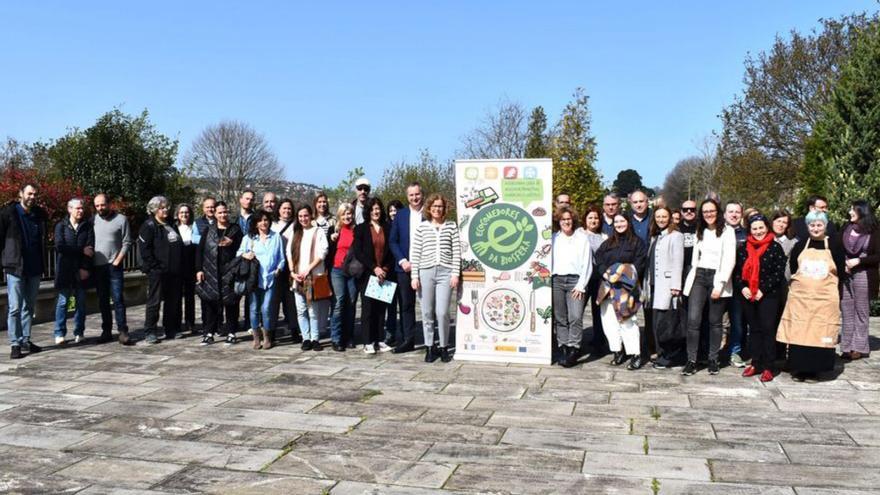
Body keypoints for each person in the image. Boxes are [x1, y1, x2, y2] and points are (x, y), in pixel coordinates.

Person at [778, 211, 845, 382]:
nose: (816, 228)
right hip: (802, 300)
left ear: (825, 226)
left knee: (820, 331)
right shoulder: (800, 246)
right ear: (807, 227)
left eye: (819, 225)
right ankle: (799, 368)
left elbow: (840, 272)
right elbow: (794, 268)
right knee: (800, 332)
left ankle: (816, 370)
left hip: (825, 300)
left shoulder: (835, 245)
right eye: (812, 225)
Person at [681, 199, 736, 376]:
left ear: (717, 212)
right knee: (693, 320)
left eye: (711, 211)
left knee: (715, 321)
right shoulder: (700, 230)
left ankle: (713, 359)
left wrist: (720, 284)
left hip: (717, 276)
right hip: (699, 276)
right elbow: (695, 258)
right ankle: (692, 360)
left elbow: (729, 259)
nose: (708, 215)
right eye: (705, 212)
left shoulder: (727, 231)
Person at [733, 215, 788, 382]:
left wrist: (762, 289)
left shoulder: (775, 247)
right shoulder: (743, 248)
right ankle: (756, 363)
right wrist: (743, 287)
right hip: (748, 295)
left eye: (761, 228)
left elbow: (778, 273)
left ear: (767, 228)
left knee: (767, 329)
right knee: (754, 330)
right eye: (754, 228)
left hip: (768, 295)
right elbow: (736, 273)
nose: (758, 232)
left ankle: (769, 366)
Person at [411, 194, 462, 363]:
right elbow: (415, 253)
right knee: (426, 312)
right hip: (425, 272)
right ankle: (429, 346)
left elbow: (456, 252)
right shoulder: (422, 228)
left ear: (444, 208)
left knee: (442, 312)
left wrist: (455, 273)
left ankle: (444, 346)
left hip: (445, 273)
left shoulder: (451, 226)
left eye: (440, 206)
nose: (437, 209)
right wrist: (414, 276)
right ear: (429, 208)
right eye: (434, 206)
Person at [595, 214, 647, 369]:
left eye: (622, 221)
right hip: (607, 287)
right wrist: (604, 272)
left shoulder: (637, 242)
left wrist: (620, 274)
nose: (619, 224)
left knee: (627, 322)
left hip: (626, 288)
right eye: (616, 222)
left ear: (628, 222)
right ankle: (617, 351)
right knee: (609, 321)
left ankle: (635, 354)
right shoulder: (608, 242)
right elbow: (599, 258)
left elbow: (639, 264)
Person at [1, 183, 46, 359]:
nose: (32, 197)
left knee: (29, 306)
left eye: (35, 194)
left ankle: (25, 339)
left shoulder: (39, 216)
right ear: (21, 194)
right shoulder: (8, 214)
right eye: (29, 194)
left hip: (34, 267)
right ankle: (15, 343)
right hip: (15, 266)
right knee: (15, 307)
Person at [195, 201, 243, 345]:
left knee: (231, 302)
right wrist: (199, 269)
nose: (223, 215)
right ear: (215, 214)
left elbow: (243, 248)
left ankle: (231, 332)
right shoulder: (208, 230)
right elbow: (200, 251)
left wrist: (232, 243)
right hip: (210, 271)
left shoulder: (235, 229)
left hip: (230, 271)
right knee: (210, 303)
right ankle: (209, 332)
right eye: (220, 212)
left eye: (225, 212)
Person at [237, 209, 286, 349]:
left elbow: (281, 258)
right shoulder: (249, 238)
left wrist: (279, 269)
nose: (263, 223)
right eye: (260, 220)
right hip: (254, 279)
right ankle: (256, 336)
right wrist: (245, 255)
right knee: (254, 309)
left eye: (266, 220)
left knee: (266, 309)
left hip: (270, 278)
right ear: (256, 223)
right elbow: (239, 253)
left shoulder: (276, 237)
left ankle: (267, 337)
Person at [550, 206, 592, 367]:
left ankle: (574, 348)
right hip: (557, 281)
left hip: (575, 281)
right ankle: (563, 347)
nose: (566, 222)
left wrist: (581, 285)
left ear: (573, 220)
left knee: (575, 316)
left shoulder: (581, 238)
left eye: (568, 219)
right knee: (560, 318)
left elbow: (587, 263)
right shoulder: (554, 238)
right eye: (563, 219)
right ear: (558, 222)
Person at [138, 196, 183, 344]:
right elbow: (145, 251)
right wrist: (155, 267)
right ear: (154, 210)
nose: (165, 210)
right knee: (154, 301)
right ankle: (150, 331)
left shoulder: (171, 224)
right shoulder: (149, 226)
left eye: (166, 207)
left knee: (173, 301)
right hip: (157, 271)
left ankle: (171, 329)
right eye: (162, 208)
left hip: (174, 271)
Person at [352, 197, 395, 354]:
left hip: (384, 273)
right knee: (368, 309)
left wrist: (384, 268)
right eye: (372, 209)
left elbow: (392, 251)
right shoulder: (361, 228)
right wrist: (374, 268)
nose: (375, 212)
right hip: (368, 273)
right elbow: (359, 252)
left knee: (380, 308)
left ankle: (379, 339)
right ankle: (367, 341)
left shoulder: (388, 227)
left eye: (377, 209)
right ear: (368, 212)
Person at [645, 206, 684, 369]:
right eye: (658, 216)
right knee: (656, 322)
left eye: (664, 216)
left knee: (667, 323)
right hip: (654, 285)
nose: (661, 219)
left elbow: (678, 261)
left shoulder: (676, 236)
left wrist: (676, 285)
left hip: (668, 286)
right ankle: (661, 354)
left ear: (670, 218)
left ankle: (670, 356)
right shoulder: (656, 236)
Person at [840, 200, 879, 360]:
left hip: (864, 272)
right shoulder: (846, 228)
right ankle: (846, 346)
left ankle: (859, 347)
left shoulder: (875, 231)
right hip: (846, 273)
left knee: (861, 310)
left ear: (862, 211)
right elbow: (837, 247)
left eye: (852, 209)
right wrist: (842, 262)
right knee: (846, 309)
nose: (849, 212)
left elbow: (877, 255)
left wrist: (859, 261)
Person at [288, 204, 330, 351]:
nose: (303, 219)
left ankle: (315, 338)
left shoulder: (317, 231)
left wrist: (308, 269)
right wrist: (292, 271)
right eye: (300, 216)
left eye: (305, 215)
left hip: (313, 276)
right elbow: (289, 253)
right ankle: (305, 338)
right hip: (298, 278)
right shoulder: (296, 233)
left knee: (313, 310)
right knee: (301, 310)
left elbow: (322, 252)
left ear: (310, 215)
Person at [389, 182, 425, 353]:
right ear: (407, 197)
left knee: (429, 305)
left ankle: (433, 341)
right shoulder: (400, 215)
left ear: (422, 194)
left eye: (417, 194)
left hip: (427, 266)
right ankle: (408, 340)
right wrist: (402, 260)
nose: (414, 198)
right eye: (411, 195)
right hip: (405, 268)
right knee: (406, 305)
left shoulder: (430, 213)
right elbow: (393, 240)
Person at [53, 198, 94, 345]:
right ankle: (59, 333)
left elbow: (90, 249)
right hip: (65, 269)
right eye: (77, 208)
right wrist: (81, 250)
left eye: (82, 208)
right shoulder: (61, 226)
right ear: (69, 209)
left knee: (81, 302)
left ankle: (79, 332)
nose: (80, 211)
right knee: (63, 302)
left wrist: (85, 268)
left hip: (81, 269)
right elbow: (60, 247)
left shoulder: (87, 227)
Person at [92, 193, 132, 345]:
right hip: (98, 266)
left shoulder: (121, 219)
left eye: (102, 205)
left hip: (114, 265)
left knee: (118, 299)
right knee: (102, 300)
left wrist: (118, 260)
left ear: (109, 204)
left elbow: (127, 241)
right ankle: (106, 331)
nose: (100, 208)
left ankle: (123, 331)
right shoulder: (93, 220)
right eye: (97, 206)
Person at [271, 198, 300, 343]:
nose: (287, 211)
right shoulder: (272, 225)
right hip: (276, 267)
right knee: (274, 300)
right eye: (284, 208)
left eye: (289, 208)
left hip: (292, 266)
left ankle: (295, 330)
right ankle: (272, 331)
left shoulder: (296, 225)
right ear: (278, 210)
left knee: (291, 301)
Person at [329, 203, 357, 351]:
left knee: (351, 302)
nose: (347, 217)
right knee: (339, 302)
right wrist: (331, 238)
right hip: (337, 270)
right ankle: (336, 337)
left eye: (349, 214)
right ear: (339, 216)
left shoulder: (357, 231)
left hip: (352, 271)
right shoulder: (335, 231)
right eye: (344, 214)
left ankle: (349, 336)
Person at [581, 205, 608, 357]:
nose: (593, 220)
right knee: (578, 310)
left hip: (598, 279)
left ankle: (599, 342)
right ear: (585, 219)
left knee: (598, 311)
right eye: (590, 217)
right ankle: (576, 342)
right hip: (583, 278)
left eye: (596, 218)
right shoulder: (579, 234)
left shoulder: (604, 237)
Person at [724, 201, 748, 368]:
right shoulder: (717, 232)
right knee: (714, 320)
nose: (733, 215)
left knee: (738, 321)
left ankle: (735, 351)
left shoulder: (746, 235)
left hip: (739, 284)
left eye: (737, 212)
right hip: (719, 283)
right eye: (730, 211)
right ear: (724, 214)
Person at [383, 199, 404, 347]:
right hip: (389, 271)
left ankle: (404, 333)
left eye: (396, 210)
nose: (393, 213)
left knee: (404, 304)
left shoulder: (404, 226)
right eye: (390, 210)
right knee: (390, 305)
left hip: (402, 269)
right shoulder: (385, 227)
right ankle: (390, 333)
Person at [175, 203, 197, 336]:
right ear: (177, 214)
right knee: (176, 296)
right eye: (181, 212)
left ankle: (190, 322)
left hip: (190, 265)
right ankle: (177, 323)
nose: (184, 215)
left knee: (190, 296)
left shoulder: (194, 227)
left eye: (186, 212)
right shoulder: (173, 228)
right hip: (177, 266)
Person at [771, 209, 798, 281]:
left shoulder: (793, 243)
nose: (781, 225)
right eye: (778, 221)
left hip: (783, 283)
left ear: (788, 226)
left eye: (784, 222)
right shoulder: (763, 239)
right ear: (772, 222)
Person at [679, 200, 698, 280]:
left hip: (696, 267)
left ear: (696, 211)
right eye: (685, 209)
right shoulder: (676, 228)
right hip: (680, 266)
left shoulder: (702, 227)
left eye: (692, 209)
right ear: (681, 212)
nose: (689, 211)